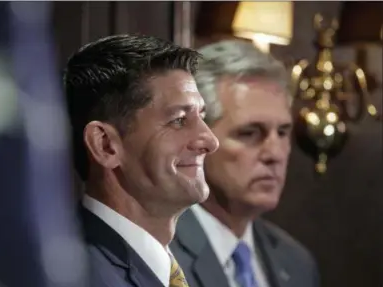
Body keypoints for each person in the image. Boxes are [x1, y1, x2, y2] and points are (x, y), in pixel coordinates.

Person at [64, 34, 219, 287]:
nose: (210, 141)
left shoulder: (175, 270)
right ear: (105, 145)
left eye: (202, 116)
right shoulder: (75, 276)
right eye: (179, 120)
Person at [170, 40, 320, 287]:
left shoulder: (296, 262)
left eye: (282, 133)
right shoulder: (156, 256)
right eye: (249, 133)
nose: (275, 154)